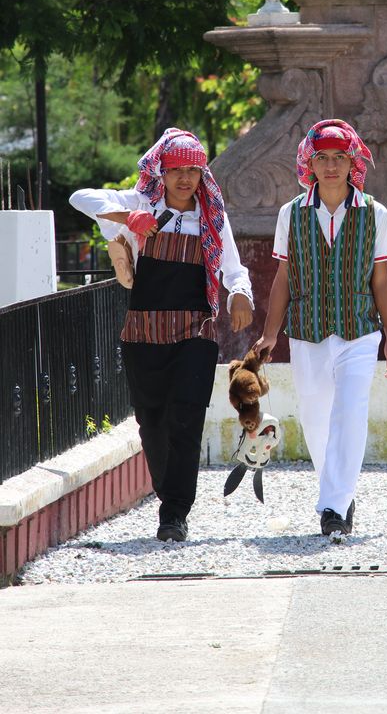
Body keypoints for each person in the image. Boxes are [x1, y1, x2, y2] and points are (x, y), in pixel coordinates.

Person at [70, 127, 254, 543]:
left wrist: (240, 293)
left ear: (203, 174)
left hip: (196, 331)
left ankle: (175, 512)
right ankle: (168, 493)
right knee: (151, 421)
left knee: (186, 419)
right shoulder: (141, 205)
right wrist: (127, 217)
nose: (184, 179)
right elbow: (79, 197)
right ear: (161, 172)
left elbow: (233, 268)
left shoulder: (211, 218)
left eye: (192, 170)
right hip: (144, 331)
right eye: (175, 171)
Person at [254, 118, 387, 537]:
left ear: (352, 161)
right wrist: (269, 333)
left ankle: (333, 506)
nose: (332, 166)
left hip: (359, 328)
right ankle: (339, 490)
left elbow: (381, 279)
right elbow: (283, 277)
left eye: (339, 157)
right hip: (307, 330)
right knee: (316, 417)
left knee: (351, 412)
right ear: (310, 164)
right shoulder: (291, 213)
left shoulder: (375, 213)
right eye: (323, 158)